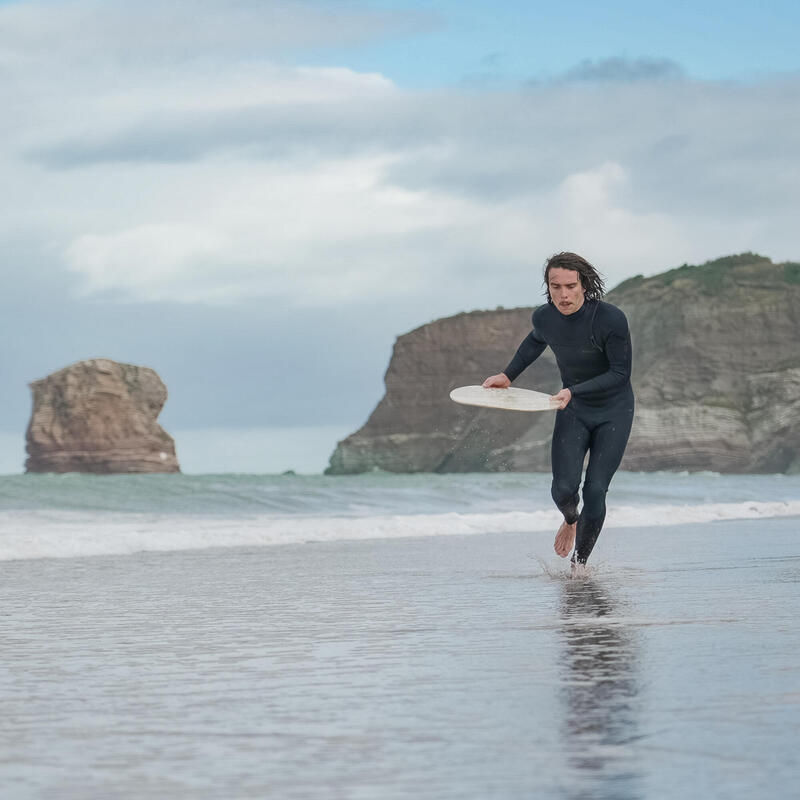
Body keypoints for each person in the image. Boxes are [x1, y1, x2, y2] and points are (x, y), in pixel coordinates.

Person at [483, 252, 634, 565]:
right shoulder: (545, 317)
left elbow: (620, 374)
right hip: (573, 409)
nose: (563, 295)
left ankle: (579, 566)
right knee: (563, 490)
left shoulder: (610, 319)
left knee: (595, 490)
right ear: (547, 287)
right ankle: (570, 520)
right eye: (556, 287)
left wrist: (572, 390)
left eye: (570, 286)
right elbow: (535, 341)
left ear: (583, 285)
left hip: (613, 411)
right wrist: (507, 375)